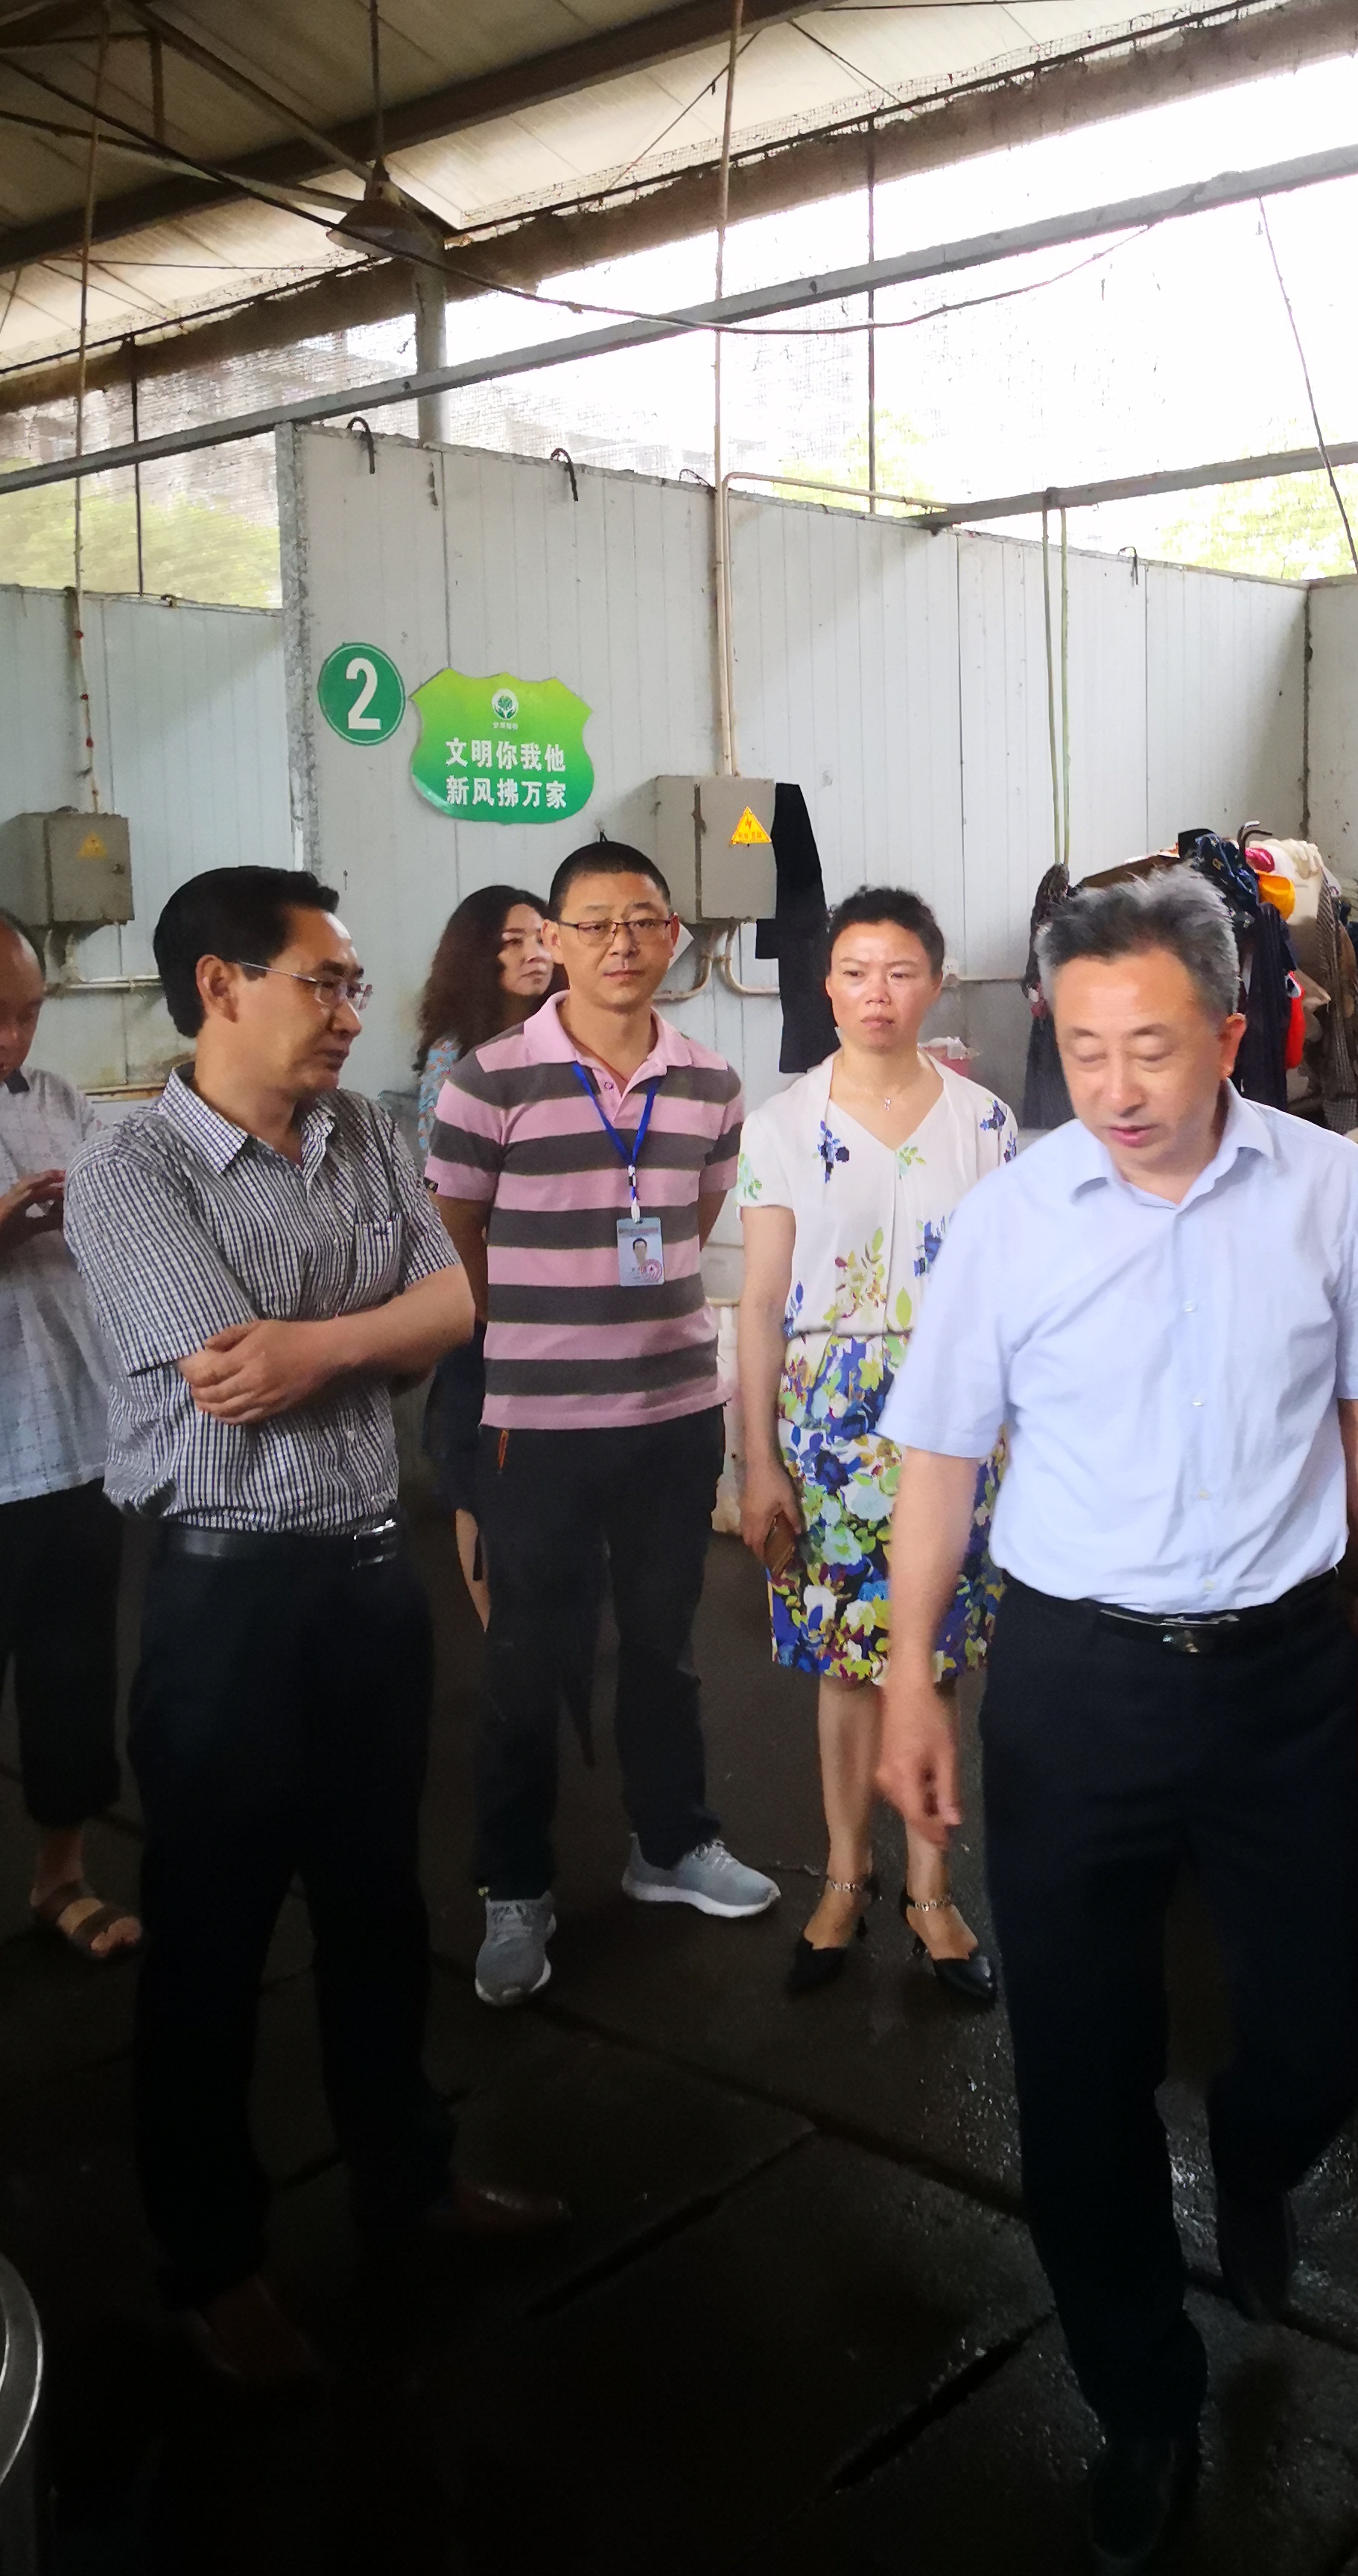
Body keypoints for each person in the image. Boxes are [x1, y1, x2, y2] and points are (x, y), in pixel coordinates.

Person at [875, 868, 1358, 2576]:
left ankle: (1257, 2154)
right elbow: (939, 1453)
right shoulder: (1014, 1216)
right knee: (1077, 2065)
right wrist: (912, 1676)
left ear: (1232, 1032)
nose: (1116, 1086)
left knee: (1331, 2016)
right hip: (1077, 1683)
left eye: (1153, 1047)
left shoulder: (1325, 1185)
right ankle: (1141, 2394)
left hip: (1283, 1675)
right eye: (1083, 1047)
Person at [63, 865, 562, 2388]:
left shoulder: (367, 1134)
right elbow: (231, 1370)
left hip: (366, 1580)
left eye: (352, 984)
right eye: (323, 980)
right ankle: (214, 2264)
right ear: (220, 985)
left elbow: (451, 1308)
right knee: (210, 1939)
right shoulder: (133, 1166)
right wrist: (363, 1338)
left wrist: (323, 1343)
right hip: (224, 1598)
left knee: (375, 1909)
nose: (352, 1008)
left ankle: (406, 2180)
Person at [427, 839, 774, 2010]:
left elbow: (692, 1217)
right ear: (556, 940)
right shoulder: (487, 1081)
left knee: (665, 1649)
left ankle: (670, 1845)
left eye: (643, 920)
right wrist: (540, 1329)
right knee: (527, 1660)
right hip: (536, 1423)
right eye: (593, 922)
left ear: (673, 935)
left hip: (674, 1414)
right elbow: (457, 1236)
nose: (620, 942)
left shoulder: (712, 1082)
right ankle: (514, 1886)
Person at [736, 888, 1016, 2006]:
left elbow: (1008, 1295)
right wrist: (757, 1459)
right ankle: (848, 1878)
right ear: (827, 986)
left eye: (900, 972)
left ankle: (933, 1889)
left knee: (935, 1652)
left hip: (956, 1409)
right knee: (847, 1663)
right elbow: (761, 1306)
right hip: (828, 1419)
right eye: (855, 972)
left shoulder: (985, 1124)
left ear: (935, 983)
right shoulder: (782, 1124)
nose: (877, 994)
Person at [0, 905, 136, 2029]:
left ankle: (60, 1877)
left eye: (28, 1014)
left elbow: (126, 1222)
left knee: (74, 1682)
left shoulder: (60, 1103)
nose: (13, 1038)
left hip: (75, 1446)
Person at [412, 885, 558, 1623]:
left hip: (568, 1293)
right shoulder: (456, 1058)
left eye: (542, 936)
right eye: (512, 941)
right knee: (478, 1465)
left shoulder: (574, 1039)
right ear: (476, 954)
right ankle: (498, 1628)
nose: (535, 953)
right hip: (487, 1295)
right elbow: (445, 1198)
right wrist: (488, 1305)